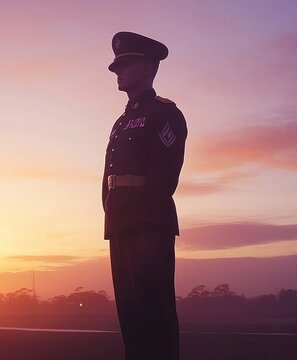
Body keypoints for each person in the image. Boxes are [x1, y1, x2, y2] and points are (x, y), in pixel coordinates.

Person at [102, 31, 187, 360]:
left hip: (148, 223)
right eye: (117, 67)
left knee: (154, 312)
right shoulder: (121, 121)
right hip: (120, 222)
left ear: (148, 69)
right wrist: (111, 211)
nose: (117, 71)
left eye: (125, 65)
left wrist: (143, 221)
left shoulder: (165, 114)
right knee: (131, 316)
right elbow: (108, 175)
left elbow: (165, 175)